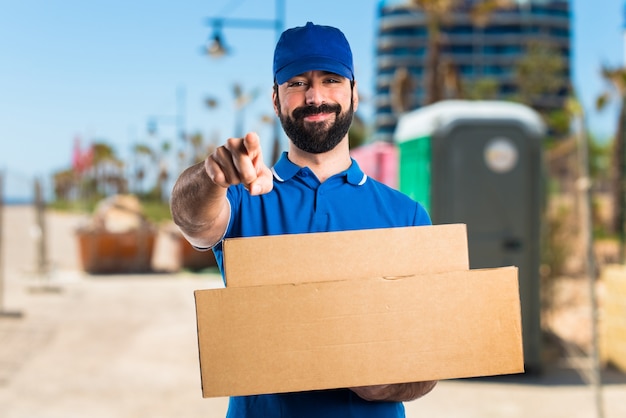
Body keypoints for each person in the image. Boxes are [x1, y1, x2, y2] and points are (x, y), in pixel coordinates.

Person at [170, 21, 437, 418]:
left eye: (331, 79)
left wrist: (383, 382)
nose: (315, 96)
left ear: (355, 94)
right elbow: (191, 217)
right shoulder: (243, 200)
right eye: (297, 83)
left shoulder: (405, 216)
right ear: (275, 99)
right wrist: (213, 176)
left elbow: (432, 356)